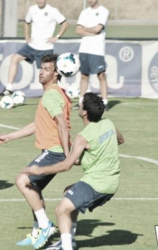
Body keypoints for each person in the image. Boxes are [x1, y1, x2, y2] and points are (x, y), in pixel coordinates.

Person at [23, 92, 124, 250]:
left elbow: (66, 165)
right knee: (68, 192)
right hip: (113, 182)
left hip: (97, 184)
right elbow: (120, 140)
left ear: (84, 112)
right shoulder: (109, 123)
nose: (80, 104)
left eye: (81, 103)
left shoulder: (82, 137)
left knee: (61, 210)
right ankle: (70, 238)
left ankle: (66, 246)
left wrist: (39, 169)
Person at [0, 54, 72, 249]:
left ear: (56, 73)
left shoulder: (52, 94)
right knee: (33, 189)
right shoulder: (54, 93)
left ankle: (45, 225)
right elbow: (38, 124)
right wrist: (10, 136)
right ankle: (38, 232)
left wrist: (67, 154)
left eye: (47, 69)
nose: (42, 72)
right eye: (41, 68)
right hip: (55, 150)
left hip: (54, 151)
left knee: (22, 180)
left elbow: (62, 124)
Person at [0, 0, 69, 96]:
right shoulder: (32, 9)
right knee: (14, 58)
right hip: (32, 46)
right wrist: (27, 37)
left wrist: (57, 37)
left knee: (48, 72)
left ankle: (53, 92)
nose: (40, 1)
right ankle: (9, 88)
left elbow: (65, 23)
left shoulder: (52, 10)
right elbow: (26, 22)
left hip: (45, 47)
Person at [74, 0, 109, 110]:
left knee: (101, 75)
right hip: (84, 49)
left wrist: (85, 28)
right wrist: (92, 30)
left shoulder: (103, 11)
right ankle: (81, 102)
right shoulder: (84, 12)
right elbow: (77, 30)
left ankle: (104, 102)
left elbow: (98, 29)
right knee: (84, 76)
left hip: (97, 49)